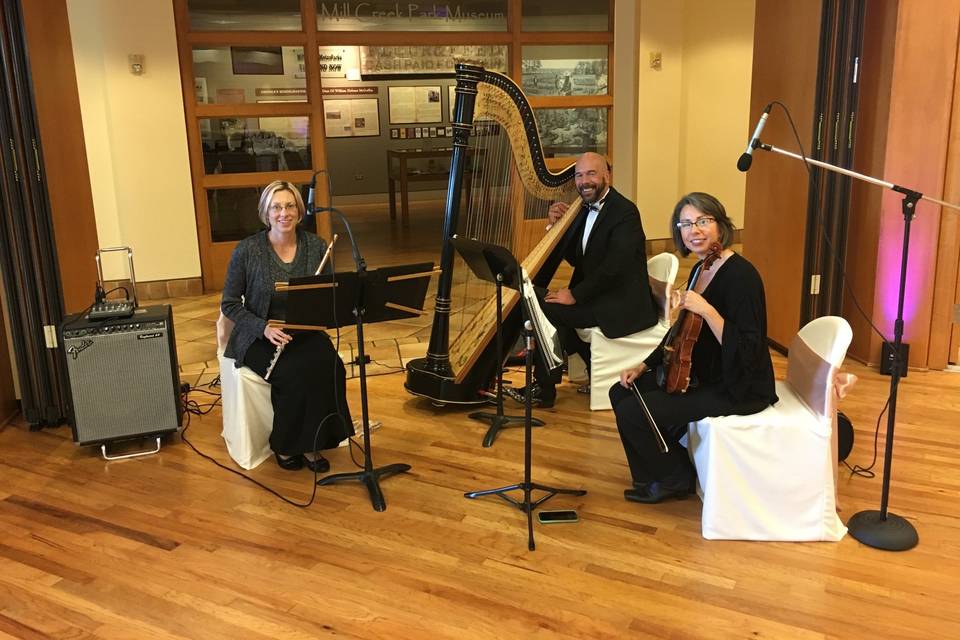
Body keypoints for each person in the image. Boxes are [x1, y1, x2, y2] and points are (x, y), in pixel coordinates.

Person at [609, 192, 778, 503]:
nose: (694, 230)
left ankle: (676, 477)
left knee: (634, 412)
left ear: (720, 225)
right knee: (620, 392)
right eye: (686, 223)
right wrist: (644, 365)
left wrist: (707, 310)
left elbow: (750, 347)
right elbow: (679, 332)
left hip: (735, 385)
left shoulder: (741, 276)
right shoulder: (702, 268)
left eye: (703, 221)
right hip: (698, 372)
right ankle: (653, 474)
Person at [221, 180, 353, 472]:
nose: (284, 213)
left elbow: (328, 292)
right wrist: (263, 327)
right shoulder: (247, 250)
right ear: (266, 213)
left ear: (299, 209)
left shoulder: (316, 246)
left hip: (303, 330)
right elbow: (229, 304)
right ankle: (286, 444)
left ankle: (315, 442)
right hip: (257, 335)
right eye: (276, 207)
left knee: (331, 367)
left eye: (290, 205)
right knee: (293, 374)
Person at [510, 152, 659, 407]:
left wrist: (575, 295)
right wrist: (554, 226)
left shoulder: (624, 213)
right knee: (531, 294)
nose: (584, 181)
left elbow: (614, 268)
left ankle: (544, 388)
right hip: (599, 296)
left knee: (544, 308)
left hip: (620, 303)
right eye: (579, 175)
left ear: (606, 176)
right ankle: (583, 369)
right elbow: (577, 258)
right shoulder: (582, 210)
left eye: (591, 173)